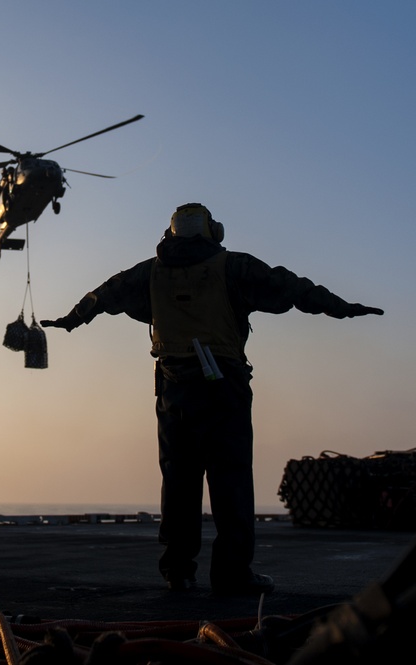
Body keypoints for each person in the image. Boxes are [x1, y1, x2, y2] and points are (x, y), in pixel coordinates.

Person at [42, 202, 383, 596]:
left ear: (169, 236)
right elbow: (293, 288)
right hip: (224, 387)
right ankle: (233, 573)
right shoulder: (233, 266)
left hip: (173, 389)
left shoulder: (149, 272)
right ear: (212, 232)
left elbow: (103, 295)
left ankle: (178, 571)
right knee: (231, 478)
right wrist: (346, 309)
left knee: (179, 480)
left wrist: (70, 320)